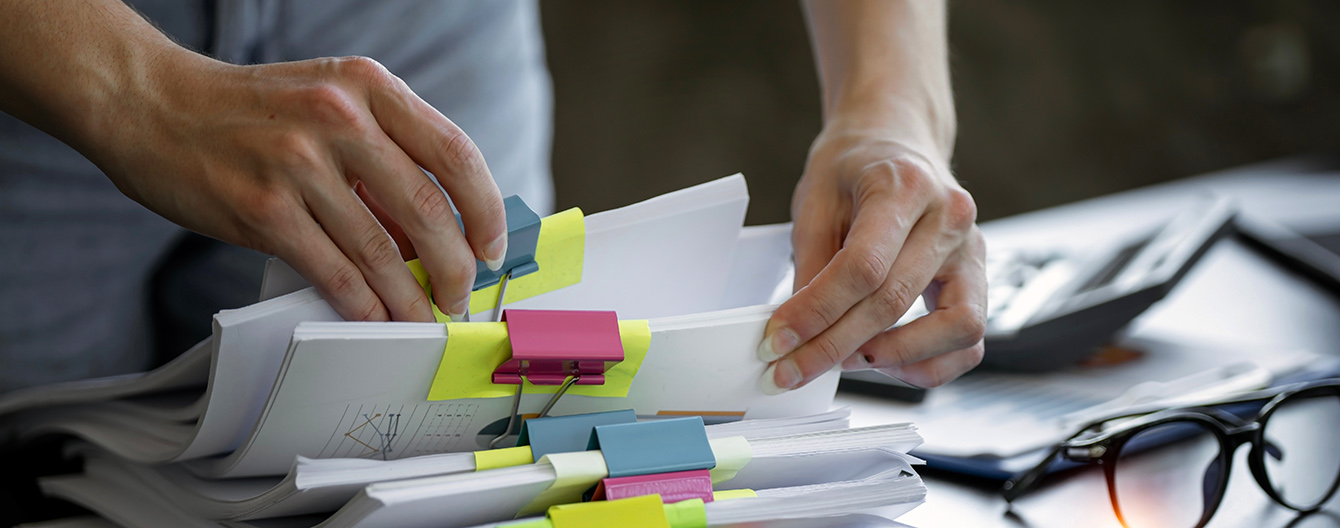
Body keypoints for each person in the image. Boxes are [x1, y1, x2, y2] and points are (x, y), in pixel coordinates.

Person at [0, 0, 985, 396]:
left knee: (447, 442)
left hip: (422, 30)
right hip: (41, 65)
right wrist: (132, 87)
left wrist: (888, 107)